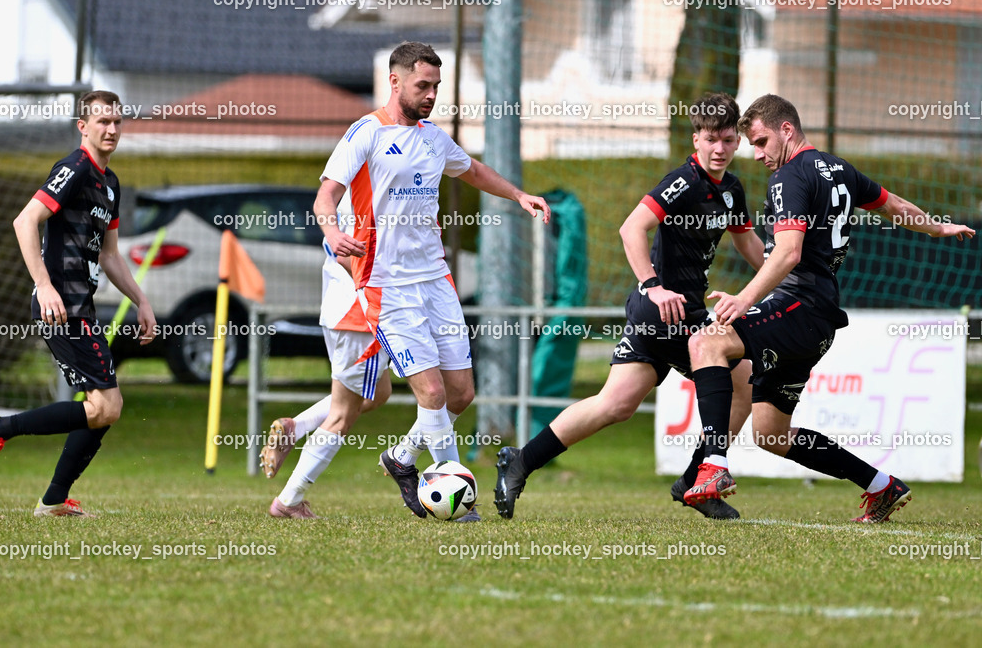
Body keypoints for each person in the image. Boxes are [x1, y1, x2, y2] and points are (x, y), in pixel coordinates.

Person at [683, 93, 976, 522]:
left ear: (787, 129)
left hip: (798, 307)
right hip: (817, 320)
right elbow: (893, 206)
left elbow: (787, 254)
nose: (758, 153)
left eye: (762, 141)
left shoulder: (789, 177)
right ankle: (881, 486)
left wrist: (742, 299)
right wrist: (935, 227)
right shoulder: (839, 168)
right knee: (770, 435)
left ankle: (714, 467)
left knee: (708, 343)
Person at [493, 93, 765, 520]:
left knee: (613, 405)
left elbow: (745, 238)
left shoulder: (730, 189)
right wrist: (653, 285)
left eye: (729, 140)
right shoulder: (684, 182)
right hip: (662, 310)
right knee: (743, 379)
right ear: (696, 139)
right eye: (711, 139)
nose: (720, 149)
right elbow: (631, 227)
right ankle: (699, 480)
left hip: (680, 311)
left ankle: (520, 461)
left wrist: (779, 270)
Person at [314, 41, 551, 519]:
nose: (431, 94)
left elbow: (473, 169)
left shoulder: (432, 137)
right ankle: (461, 504)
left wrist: (518, 194)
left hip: (435, 280)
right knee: (433, 392)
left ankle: (402, 458)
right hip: (384, 283)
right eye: (423, 85)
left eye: (437, 86)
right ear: (395, 81)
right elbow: (325, 196)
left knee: (462, 392)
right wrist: (333, 230)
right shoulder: (365, 133)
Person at [0, 90, 157, 517]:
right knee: (107, 406)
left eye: (116, 122)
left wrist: (142, 301)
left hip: (81, 306)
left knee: (103, 408)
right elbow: (25, 221)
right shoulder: (74, 167)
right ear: (83, 126)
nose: (110, 129)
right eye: (101, 122)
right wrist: (45, 285)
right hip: (61, 305)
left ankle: (54, 498)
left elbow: (110, 255)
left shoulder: (109, 183)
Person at [259, 196, 393, 519]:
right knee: (343, 414)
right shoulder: (378, 180)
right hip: (360, 312)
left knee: (378, 392)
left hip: (337, 307)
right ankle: (289, 500)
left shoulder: (348, 178)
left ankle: (296, 427)